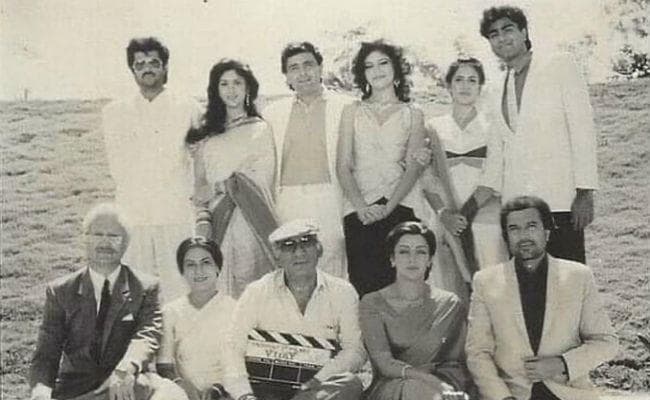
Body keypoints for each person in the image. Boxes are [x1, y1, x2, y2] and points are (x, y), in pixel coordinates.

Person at [465, 196, 618, 400]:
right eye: (514, 229)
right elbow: (478, 353)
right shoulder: (485, 281)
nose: (523, 236)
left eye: (531, 226)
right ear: (506, 237)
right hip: (511, 394)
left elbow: (606, 342)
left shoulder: (578, 277)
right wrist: (502, 397)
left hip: (568, 394)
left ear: (546, 233)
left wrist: (562, 364)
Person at [479, 6, 599, 263]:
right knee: (526, 281)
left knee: (568, 277)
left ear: (524, 32)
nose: (501, 38)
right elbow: (498, 153)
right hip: (517, 209)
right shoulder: (495, 87)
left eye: (507, 29)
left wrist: (585, 192)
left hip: (560, 201)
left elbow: (582, 129)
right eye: (493, 34)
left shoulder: (559, 65)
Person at [29, 203, 186, 400]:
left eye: (114, 236)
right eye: (98, 234)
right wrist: (41, 389)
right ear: (85, 239)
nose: (105, 243)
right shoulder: (60, 291)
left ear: (126, 243)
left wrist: (127, 366)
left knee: (158, 390)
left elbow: (147, 335)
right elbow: (46, 353)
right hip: (76, 388)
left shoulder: (146, 288)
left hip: (125, 384)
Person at [102, 37, 202, 302]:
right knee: (134, 285)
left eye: (154, 63)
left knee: (179, 283)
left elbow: (200, 155)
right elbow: (117, 165)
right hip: (134, 212)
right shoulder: (115, 112)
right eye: (140, 64)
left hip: (175, 212)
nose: (147, 68)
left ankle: (179, 330)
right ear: (132, 70)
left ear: (165, 67)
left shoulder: (188, 107)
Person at [224, 219, 366, 400]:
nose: (299, 253)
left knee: (350, 383)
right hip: (265, 389)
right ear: (277, 255)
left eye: (306, 243)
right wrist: (244, 395)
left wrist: (316, 381)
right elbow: (233, 346)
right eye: (289, 246)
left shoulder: (343, 291)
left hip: (317, 389)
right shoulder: (256, 291)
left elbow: (354, 350)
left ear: (319, 249)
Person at [337, 40, 427, 297]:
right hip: (359, 211)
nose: (376, 70)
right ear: (362, 74)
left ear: (396, 68)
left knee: (402, 288)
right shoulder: (351, 111)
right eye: (369, 66)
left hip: (400, 208)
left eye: (383, 63)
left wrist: (389, 208)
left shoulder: (413, 112)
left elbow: (413, 168)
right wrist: (362, 208)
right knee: (365, 290)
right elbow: (343, 166)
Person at [187, 59, 277, 298]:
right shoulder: (206, 134)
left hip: (250, 220)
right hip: (215, 221)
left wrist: (221, 185)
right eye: (224, 84)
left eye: (237, 83)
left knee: (249, 283)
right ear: (216, 90)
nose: (231, 90)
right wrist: (203, 219)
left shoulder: (260, 129)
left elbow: (263, 178)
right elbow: (199, 185)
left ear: (248, 88)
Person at [422, 57, 508, 300]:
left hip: (484, 214)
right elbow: (427, 177)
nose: (465, 86)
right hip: (446, 218)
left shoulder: (492, 125)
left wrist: (466, 216)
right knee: (449, 288)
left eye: (472, 80)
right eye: (459, 79)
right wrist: (444, 215)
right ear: (449, 86)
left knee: (490, 282)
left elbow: (494, 173)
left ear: (480, 87)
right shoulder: (433, 127)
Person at [263, 42, 350, 279]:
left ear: (320, 68)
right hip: (287, 202)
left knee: (331, 268)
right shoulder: (272, 113)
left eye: (308, 64)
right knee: (291, 269)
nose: (302, 73)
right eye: (294, 68)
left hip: (329, 198)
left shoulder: (346, 106)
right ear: (286, 76)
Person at [360, 221, 474, 400]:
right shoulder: (372, 303)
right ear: (392, 259)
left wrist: (440, 383)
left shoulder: (449, 303)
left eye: (420, 252)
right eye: (404, 252)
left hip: (443, 381)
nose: (412, 259)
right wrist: (428, 380)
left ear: (430, 260)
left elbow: (458, 361)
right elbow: (384, 363)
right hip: (394, 383)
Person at [157, 237, 236, 400]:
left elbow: (244, 365)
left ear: (217, 267)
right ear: (182, 271)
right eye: (190, 265)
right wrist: (181, 384)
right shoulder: (171, 311)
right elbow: (164, 364)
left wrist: (218, 389)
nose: (198, 271)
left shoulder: (237, 310)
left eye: (206, 263)